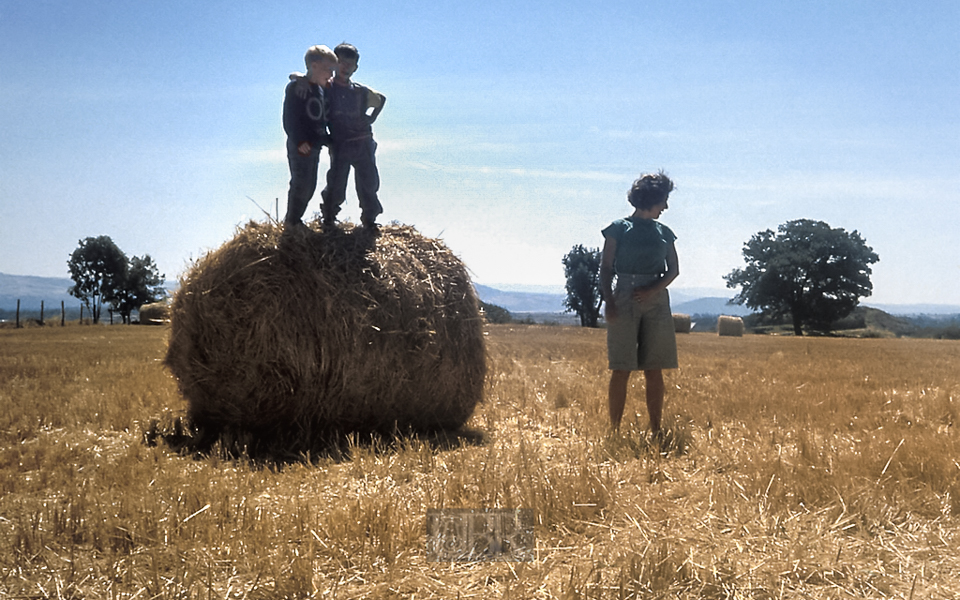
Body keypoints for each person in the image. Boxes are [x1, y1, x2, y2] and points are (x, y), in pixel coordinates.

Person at [599, 171, 679, 435]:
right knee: (621, 367)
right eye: (663, 201)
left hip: (656, 300)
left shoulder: (665, 233)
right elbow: (606, 269)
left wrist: (651, 290)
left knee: (654, 368)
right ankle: (613, 430)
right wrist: (609, 302)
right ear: (650, 199)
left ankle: (656, 429)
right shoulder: (618, 229)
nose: (666, 207)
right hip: (623, 296)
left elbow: (673, 270)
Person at [282, 45, 337, 229]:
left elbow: (319, 121)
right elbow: (290, 117)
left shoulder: (321, 90)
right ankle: (291, 221)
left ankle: (296, 220)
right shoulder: (297, 88)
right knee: (301, 183)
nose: (331, 74)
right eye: (328, 69)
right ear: (314, 65)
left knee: (310, 184)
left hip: (314, 145)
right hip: (301, 146)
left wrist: (327, 139)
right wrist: (299, 140)